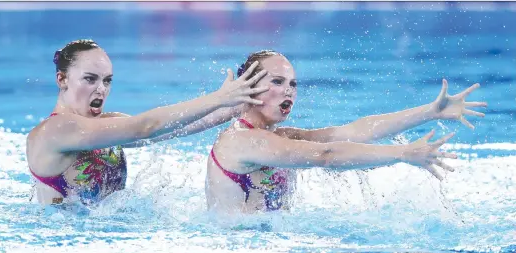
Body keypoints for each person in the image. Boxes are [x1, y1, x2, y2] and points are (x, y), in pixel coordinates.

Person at [205, 50, 487, 215]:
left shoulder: (283, 137)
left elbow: (354, 132)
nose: (289, 90)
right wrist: (402, 153)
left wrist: (430, 111)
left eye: (293, 83)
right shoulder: (239, 141)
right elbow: (326, 155)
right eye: (278, 81)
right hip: (239, 250)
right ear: (249, 85)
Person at [26, 39, 270, 205]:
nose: (101, 89)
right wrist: (217, 98)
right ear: (62, 79)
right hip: (67, 246)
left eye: (107, 80)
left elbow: (169, 130)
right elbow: (146, 126)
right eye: (90, 79)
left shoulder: (109, 125)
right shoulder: (55, 130)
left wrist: (235, 106)